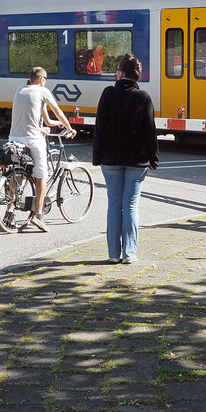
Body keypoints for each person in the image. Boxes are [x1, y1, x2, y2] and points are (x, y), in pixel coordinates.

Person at [91, 54, 159, 264]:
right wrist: (153, 158)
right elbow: (150, 130)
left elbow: (99, 126)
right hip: (136, 160)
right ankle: (129, 254)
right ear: (136, 76)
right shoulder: (144, 97)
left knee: (114, 204)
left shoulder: (108, 93)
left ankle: (113, 254)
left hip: (110, 159)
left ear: (120, 73)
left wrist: (96, 156)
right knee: (130, 206)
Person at [9, 66, 75, 232]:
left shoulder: (19, 90)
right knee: (41, 176)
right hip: (33, 140)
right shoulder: (42, 91)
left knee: (16, 175)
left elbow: (44, 117)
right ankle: (38, 215)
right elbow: (58, 112)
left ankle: (9, 212)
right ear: (41, 79)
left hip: (14, 138)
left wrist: (53, 124)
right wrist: (69, 128)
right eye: (45, 79)